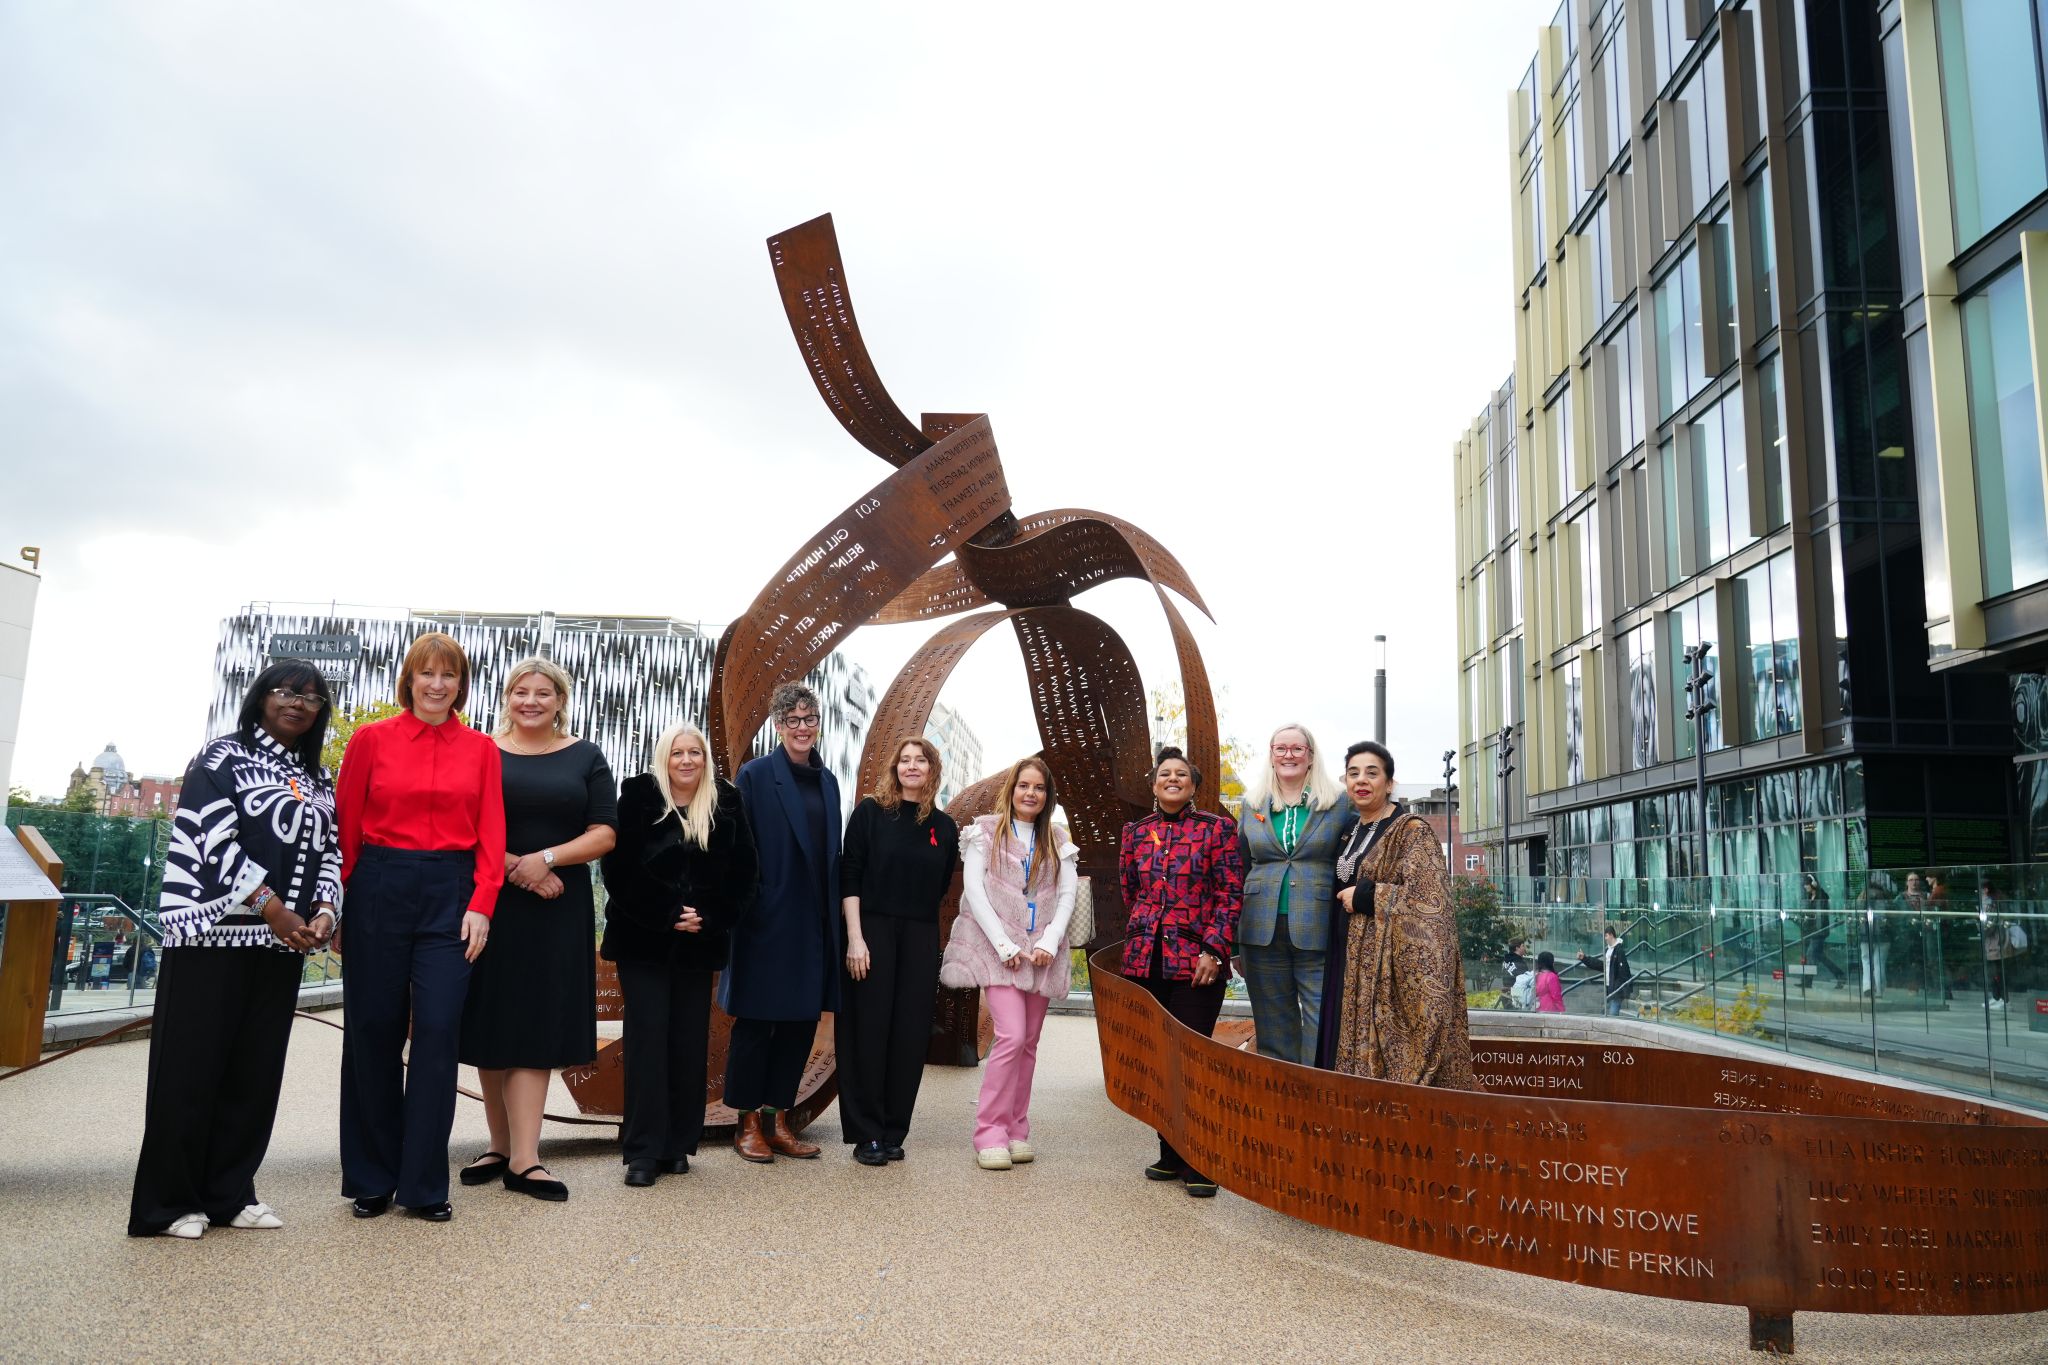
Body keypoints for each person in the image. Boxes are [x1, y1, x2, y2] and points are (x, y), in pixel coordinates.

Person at [128, 662, 341, 1239]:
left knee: (254, 1072)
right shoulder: (220, 759)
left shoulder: (318, 778)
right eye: (287, 692)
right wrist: (272, 906)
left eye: (313, 698)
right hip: (211, 935)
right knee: (190, 1068)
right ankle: (169, 1202)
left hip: (281, 944)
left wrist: (324, 911)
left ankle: (229, 1193)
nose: (298, 703)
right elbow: (209, 837)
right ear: (260, 698)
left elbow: (331, 852)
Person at [336, 632, 506, 1223]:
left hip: (452, 895)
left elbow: (492, 831)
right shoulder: (369, 740)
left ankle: (424, 1184)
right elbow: (346, 826)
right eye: (426, 674)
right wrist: (343, 904)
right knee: (373, 1031)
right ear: (408, 679)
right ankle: (371, 1177)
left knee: (437, 1032)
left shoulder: (482, 749)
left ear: (462, 684)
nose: (437, 685)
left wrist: (482, 901)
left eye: (449, 676)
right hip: (378, 886)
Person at [457, 658, 617, 1202]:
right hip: (490, 903)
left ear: (559, 700)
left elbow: (604, 833)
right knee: (492, 1022)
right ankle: (497, 1145)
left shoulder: (586, 756)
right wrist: (516, 868)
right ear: (507, 697)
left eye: (542, 693)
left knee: (535, 1025)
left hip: (557, 911)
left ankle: (526, 1159)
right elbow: (462, 824)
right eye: (521, 691)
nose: (531, 701)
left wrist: (546, 859)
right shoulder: (482, 751)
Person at [600, 722, 758, 1187]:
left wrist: (707, 914)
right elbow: (618, 866)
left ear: (705, 760)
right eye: (677, 753)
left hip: (699, 942)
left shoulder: (726, 799)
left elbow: (745, 871)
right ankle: (643, 1151)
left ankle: (676, 1145)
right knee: (648, 1041)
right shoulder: (638, 795)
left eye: (695, 753)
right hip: (644, 940)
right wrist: (668, 912)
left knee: (688, 1043)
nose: (686, 761)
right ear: (663, 757)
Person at [941, 756, 1080, 1171]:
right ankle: (989, 1131)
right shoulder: (985, 831)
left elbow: (1068, 897)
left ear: (1047, 795)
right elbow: (975, 892)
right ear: (1012, 789)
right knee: (1012, 1036)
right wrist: (1004, 946)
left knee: (1030, 1043)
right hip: (1000, 955)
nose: (1030, 793)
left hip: (1042, 955)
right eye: (1024, 786)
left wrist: (1051, 942)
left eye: (1038, 787)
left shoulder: (1058, 839)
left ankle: (1018, 1128)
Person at [1314, 741, 1477, 1088]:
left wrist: (1368, 896)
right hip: (1346, 960)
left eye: (1372, 773)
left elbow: (1432, 903)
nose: (1362, 780)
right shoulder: (1350, 830)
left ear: (1389, 783)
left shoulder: (1411, 830)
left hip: (1384, 972)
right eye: (1353, 773)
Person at [1119, 746, 1245, 1197]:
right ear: (1154, 784)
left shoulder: (1217, 830)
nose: (1172, 779)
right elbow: (1130, 892)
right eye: (1164, 774)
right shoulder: (1135, 833)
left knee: (1191, 1060)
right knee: (1157, 1060)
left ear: (1193, 784)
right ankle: (1169, 1154)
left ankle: (1200, 1158)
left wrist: (1213, 949)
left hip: (1197, 964)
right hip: (1145, 960)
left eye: (1181, 774)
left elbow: (1231, 895)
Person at [723, 682, 840, 1163]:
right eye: (793, 719)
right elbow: (737, 850)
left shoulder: (828, 781)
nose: (803, 728)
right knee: (757, 1022)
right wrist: (751, 906)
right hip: (765, 919)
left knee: (797, 1025)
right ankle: (748, 1122)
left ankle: (779, 1119)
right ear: (778, 725)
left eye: (810, 719)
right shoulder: (754, 776)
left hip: (813, 922)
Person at [837, 737, 959, 1166]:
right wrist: (855, 937)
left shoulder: (944, 827)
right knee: (868, 1030)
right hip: (870, 931)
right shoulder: (870, 814)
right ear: (895, 768)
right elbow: (849, 874)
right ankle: (866, 1132)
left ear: (931, 770)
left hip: (921, 936)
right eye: (904, 759)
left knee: (909, 1035)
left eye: (920, 761)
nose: (911, 767)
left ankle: (892, 1130)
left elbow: (942, 884)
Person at [1234, 724, 1354, 1063]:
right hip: (1260, 929)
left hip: (1319, 927)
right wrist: (1232, 941)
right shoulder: (1252, 803)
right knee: (1273, 1023)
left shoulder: (1338, 802)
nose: (1289, 755)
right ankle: (1282, 1099)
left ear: (1311, 756)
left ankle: (1318, 1093)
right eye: (1281, 748)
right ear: (1271, 755)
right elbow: (1240, 866)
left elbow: (1361, 851)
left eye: (1297, 749)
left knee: (1323, 1020)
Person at [1576, 925, 1634, 1017]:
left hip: (1616, 990)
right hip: (1610, 988)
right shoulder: (1609, 950)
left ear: (1611, 935)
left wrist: (1619, 989)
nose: (1605, 939)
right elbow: (1601, 966)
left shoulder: (1619, 951)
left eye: (1606, 936)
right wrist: (1584, 958)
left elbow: (1624, 972)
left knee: (1611, 1014)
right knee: (1607, 1014)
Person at [1800, 874, 1847, 989]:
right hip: (1811, 930)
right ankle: (1840, 975)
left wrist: (1818, 888)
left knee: (1811, 954)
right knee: (1819, 956)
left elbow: (1823, 905)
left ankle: (1807, 982)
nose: (1805, 887)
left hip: (1820, 930)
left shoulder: (1822, 895)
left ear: (1813, 884)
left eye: (1807, 884)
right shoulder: (1809, 896)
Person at [1500, 938, 1531, 1009]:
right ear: (1517, 948)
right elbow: (1524, 984)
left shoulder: (1506, 960)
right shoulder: (1519, 963)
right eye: (1523, 946)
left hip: (1505, 995)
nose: (1524, 948)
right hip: (1516, 997)